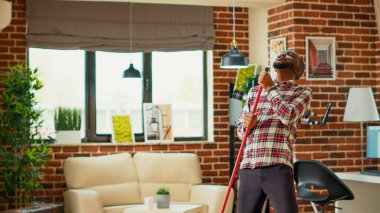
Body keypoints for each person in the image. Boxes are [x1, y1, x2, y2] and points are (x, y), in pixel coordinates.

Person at [236, 50, 312, 213]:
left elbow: (288, 115)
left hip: (277, 166)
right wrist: (246, 126)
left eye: (290, 55)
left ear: (297, 70)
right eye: (282, 53)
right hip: (249, 165)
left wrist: (270, 87)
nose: (284, 54)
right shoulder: (254, 92)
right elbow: (240, 132)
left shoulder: (302, 92)